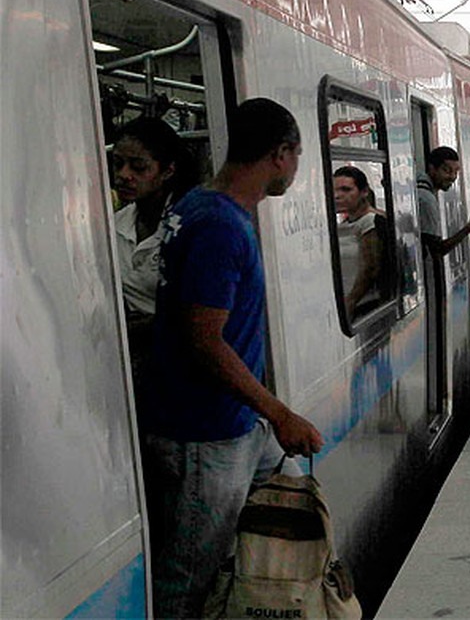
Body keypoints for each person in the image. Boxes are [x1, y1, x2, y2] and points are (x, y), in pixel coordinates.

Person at [142, 98, 325, 618]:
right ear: (281, 154)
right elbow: (205, 340)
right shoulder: (221, 226)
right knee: (191, 576)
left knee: (292, 496)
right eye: (297, 157)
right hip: (205, 433)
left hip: (235, 426)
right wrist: (281, 413)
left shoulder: (199, 205)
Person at [112, 116, 198, 383]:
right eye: (118, 164)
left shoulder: (189, 226)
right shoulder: (114, 225)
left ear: (167, 171)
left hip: (185, 364)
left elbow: (199, 315)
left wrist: (150, 325)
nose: (124, 175)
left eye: (138, 167)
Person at [334, 166, 383, 320]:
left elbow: (371, 268)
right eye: (334, 190)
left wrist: (350, 302)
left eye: (346, 190)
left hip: (364, 307)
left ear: (364, 192)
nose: (337, 196)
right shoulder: (344, 225)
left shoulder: (372, 222)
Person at [417, 146, 470, 256]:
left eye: (456, 172)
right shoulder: (427, 200)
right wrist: (468, 228)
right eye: (447, 170)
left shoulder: (417, 185)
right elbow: (437, 250)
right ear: (432, 169)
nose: (453, 177)